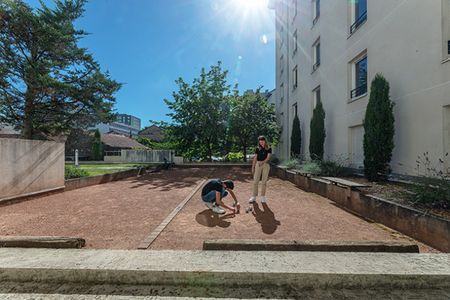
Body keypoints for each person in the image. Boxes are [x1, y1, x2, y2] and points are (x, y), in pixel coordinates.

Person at [249, 136, 272, 203]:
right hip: (258, 164)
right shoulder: (257, 149)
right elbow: (255, 158)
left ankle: (263, 196)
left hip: (266, 165)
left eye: (262, 141)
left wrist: (262, 162)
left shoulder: (269, 148)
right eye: (260, 141)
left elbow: (268, 157)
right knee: (255, 181)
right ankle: (254, 196)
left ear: (265, 141)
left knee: (264, 182)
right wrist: (253, 167)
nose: (261, 142)